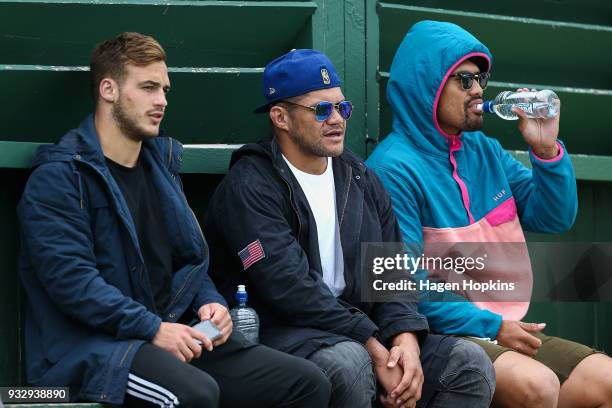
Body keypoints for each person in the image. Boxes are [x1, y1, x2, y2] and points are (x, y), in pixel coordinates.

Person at [17, 32, 331, 407]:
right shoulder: (60, 177)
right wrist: (152, 329)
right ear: (108, 89)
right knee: (193, 394)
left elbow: (189, 260)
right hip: (93, 352)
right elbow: (73, 283)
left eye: (165, 89)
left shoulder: (160, 168)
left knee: (306, 383)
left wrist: (209, 303)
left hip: (169, 336)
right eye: (148, 87)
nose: (161, 101)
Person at [204, 48, 495, 408]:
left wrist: (405, 339)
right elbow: (288, 288)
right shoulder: (250, 185)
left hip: (360, 330)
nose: (337, 120)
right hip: (281, 332)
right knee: (350, 362)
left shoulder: (360, 178)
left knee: (467, 363)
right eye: (321, 110)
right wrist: (372, 345)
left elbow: (392, 272)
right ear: (281, 117)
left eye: (343, 108)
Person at [366, 20, 612, 408]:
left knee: (607, 380)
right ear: (428, 86)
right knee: (538, 386)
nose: (479, 90)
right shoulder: (393, 168)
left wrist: (546, 151)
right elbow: (402, 285)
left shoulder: (483, 149)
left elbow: (553, 217)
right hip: (442, 334)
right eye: (464, 80)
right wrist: (492, 326)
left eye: (481, 78)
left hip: (501, 328)